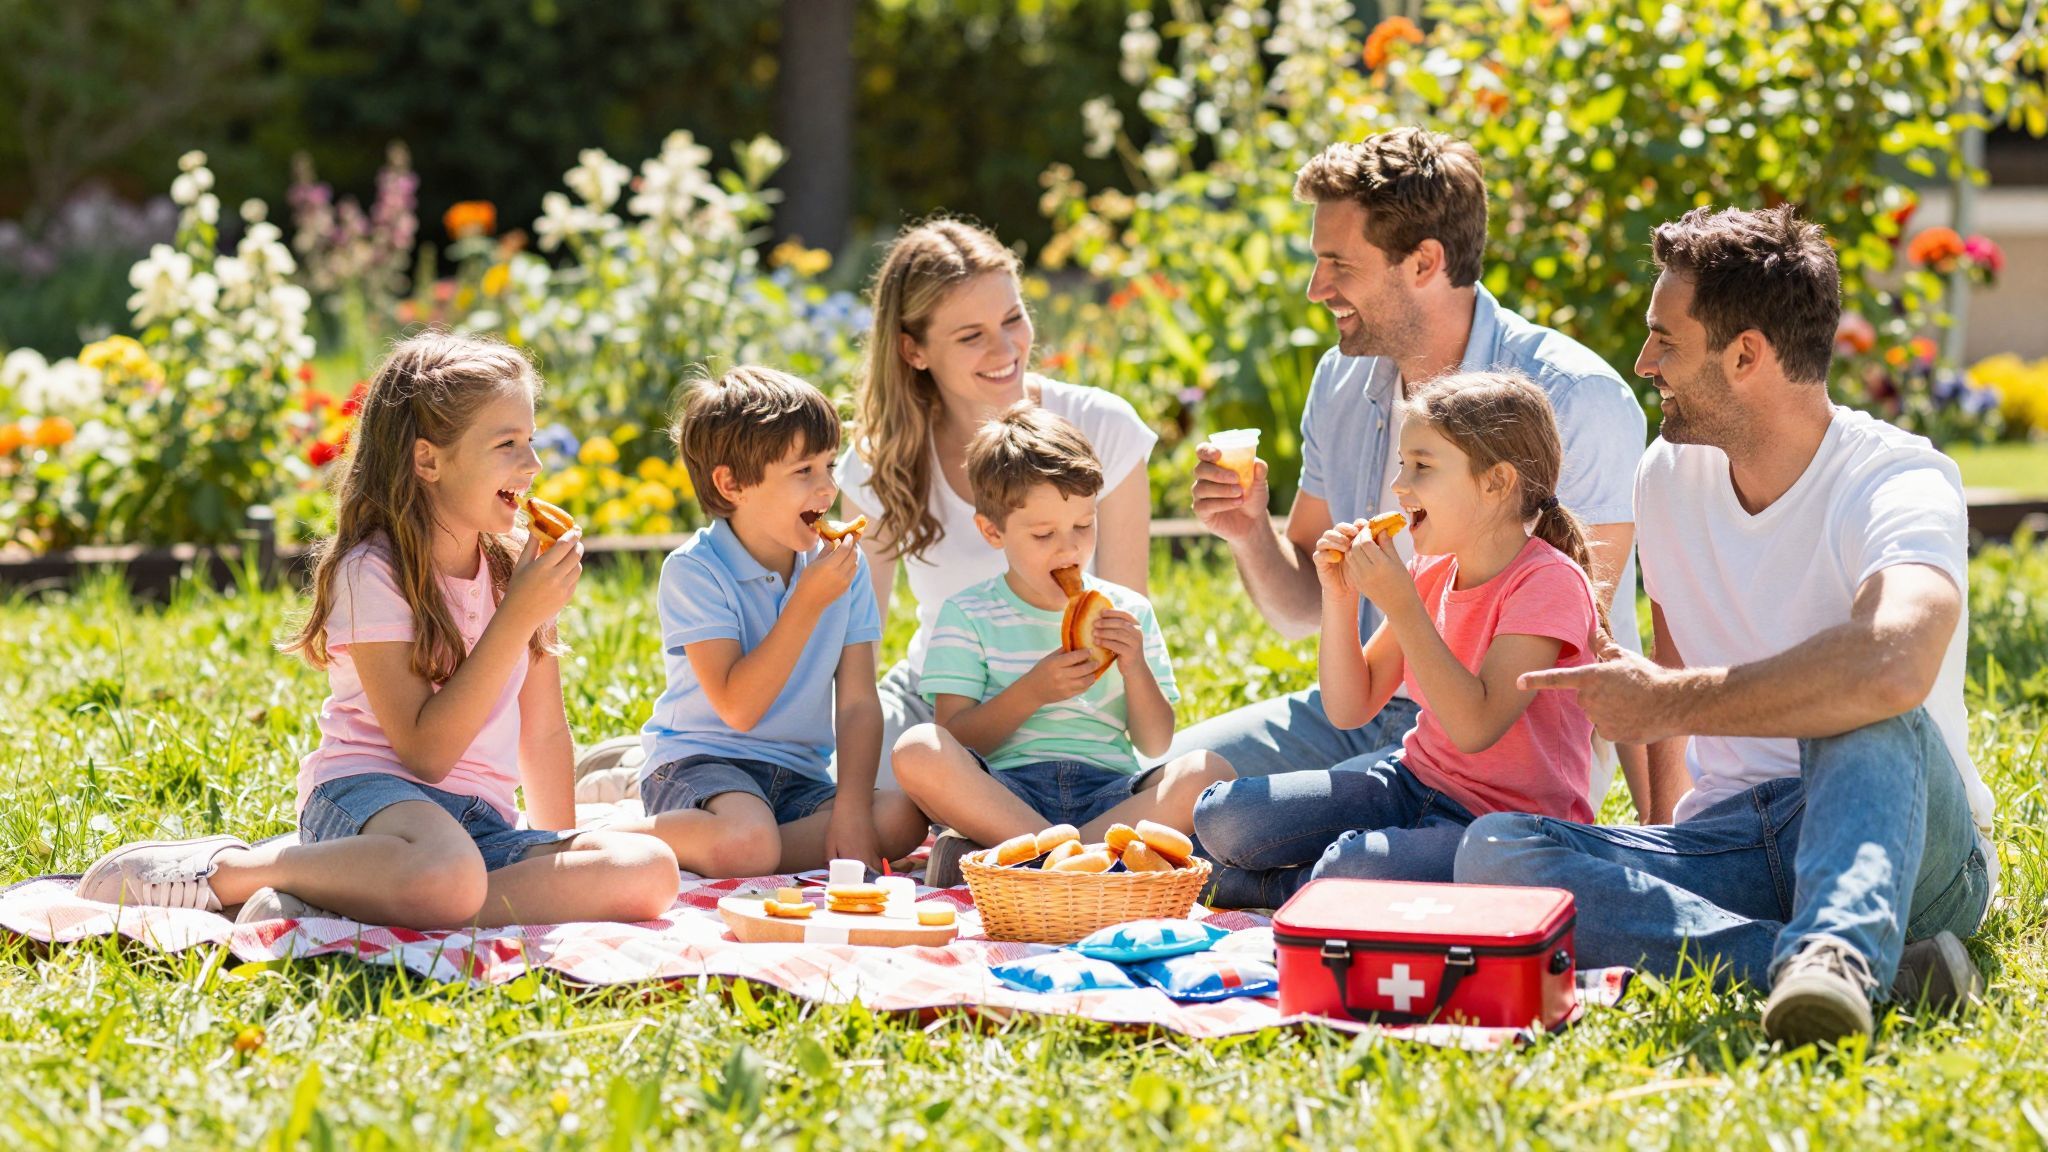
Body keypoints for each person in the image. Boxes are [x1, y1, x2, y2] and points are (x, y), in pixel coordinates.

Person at [1454, 205, 1996, 1047]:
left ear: (1747, 355)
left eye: (1666, 341)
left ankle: (1847, 954)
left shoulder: (1899, 480)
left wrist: (1670, 703)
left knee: (1860, 693)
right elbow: (1676, 661)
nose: (1644, 363)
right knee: (1496, 857)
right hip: (1738, 842)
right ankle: (1850, 969)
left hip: (1904, 844)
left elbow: (1895, 667)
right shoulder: (1668, 476)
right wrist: (1665, 836)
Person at [77, 332, 679, 928]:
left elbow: (543, 730)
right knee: (448, 871)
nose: (533, 464)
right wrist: (516, 614)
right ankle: (238, 872)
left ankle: (355, 899)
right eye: (506, 443)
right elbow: (426, 755)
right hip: (370, 799)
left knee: (648, 870)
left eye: (531, 440)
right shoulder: (372, 571)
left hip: (479, 829)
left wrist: (558, 842)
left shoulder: (512, 568)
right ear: (428, 460)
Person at [1165, 128, 1649, 812]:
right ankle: (1004, 868)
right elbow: (1304, 606)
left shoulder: (1573, 396)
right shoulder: (1341, 379)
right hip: (1370, 699)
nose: (1314, 289)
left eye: (1338, 264)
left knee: (1242, 817)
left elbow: (1560, 640)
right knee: (1166, 776)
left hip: (1501, 750)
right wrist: (1248, 532)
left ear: (1424, 262)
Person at [1193, 372, 1605, 908]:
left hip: (1502, 831)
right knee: (1223, 815)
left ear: (1496, 482)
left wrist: (1403, 604)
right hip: (1410, 785)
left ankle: (1277, 888)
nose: (1399, 486)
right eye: (1403, 464)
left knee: (1356, 864)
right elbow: (1350, 707)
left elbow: (1475, 726)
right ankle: (1302, 888)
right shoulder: (1435, 570)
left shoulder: (1548, 583)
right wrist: (1339, 596)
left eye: (1422, 466)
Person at [838, 219, 1158, 787]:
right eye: (970, 336)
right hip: (937, 702)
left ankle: (1018, 836)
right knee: (861, 783)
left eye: (1013, 319)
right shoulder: (881, 462)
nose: (1006, 349)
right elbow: (857, 649)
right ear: (913, 350)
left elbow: (1120, 613)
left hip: (1078, 701)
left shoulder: (1102, 427)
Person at [614, 367, 930, 877]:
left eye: (829, 466)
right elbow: (739, 708)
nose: (827, 489)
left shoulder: (842, 568)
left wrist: (849, 811)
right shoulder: (695, 571)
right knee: (748, 836)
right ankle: (605, 836)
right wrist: (805, 604)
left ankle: (740, 850)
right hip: (702, 766)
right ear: (732, 483)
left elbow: (856, 704)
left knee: (899, 819)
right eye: (804, 471)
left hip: (798, 777)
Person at [890, 404, 1232, 851]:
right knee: (917, 748)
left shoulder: (1127, 610)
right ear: (993, 532)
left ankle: (1031, 857)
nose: (1068, 547)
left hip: (1109, 796)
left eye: (1084, 526)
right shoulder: (969, 614)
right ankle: (1074, 857)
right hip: (1008, 792)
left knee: (1212, 771)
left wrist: (1134, 667)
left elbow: (1155, 741)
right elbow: (956, 735)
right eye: (1043, 535)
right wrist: (1033, 692)